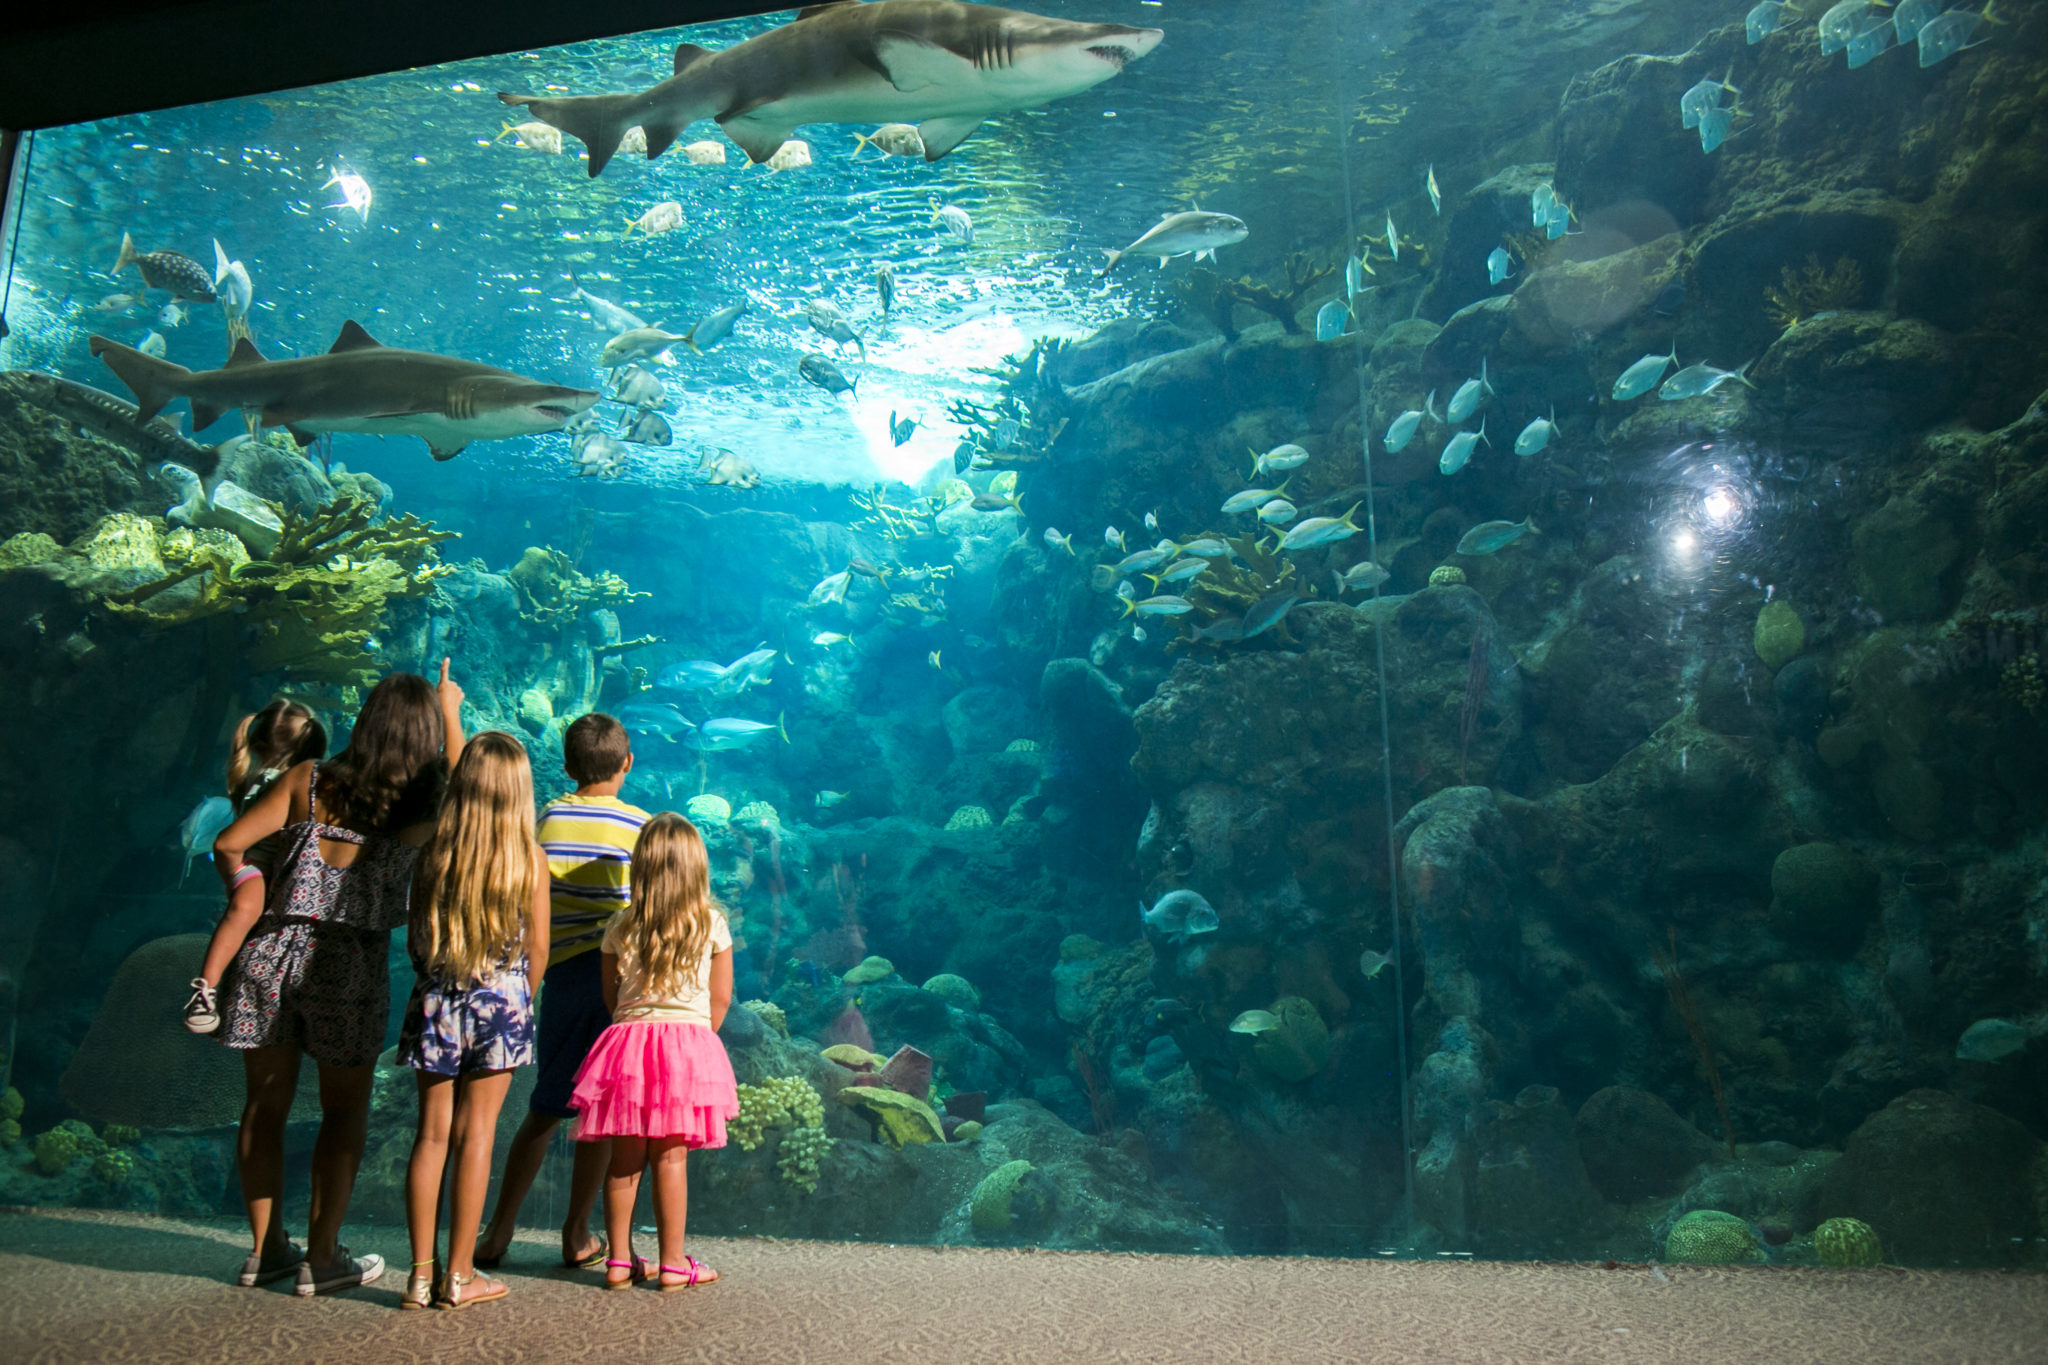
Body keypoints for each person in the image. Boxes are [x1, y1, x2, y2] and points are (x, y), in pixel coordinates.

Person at [212, 660, 465, 1297]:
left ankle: (266, 1251)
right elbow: (468, 783)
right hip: (350, 963)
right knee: (344, 1110)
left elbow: (228, 844)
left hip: (271, 949)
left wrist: (248, 892)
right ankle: (321, 1258)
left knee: (263, 1106)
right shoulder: (424, 802)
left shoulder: (308, 778)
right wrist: (451, 711)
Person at [475, 714, 648, 1272]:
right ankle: (576, 1233)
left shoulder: (546, 820)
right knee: (602, 1110)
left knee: (546, 1106)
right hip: (618, 983)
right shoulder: (641, 826)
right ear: (627, 763)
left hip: (562, 976)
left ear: (568, 766)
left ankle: (499, 1229)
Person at [396, 731, 550, 1310]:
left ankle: (420, 1275)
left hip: (437, 994)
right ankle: (460, 1276)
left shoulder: (435, 851)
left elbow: (415, 937)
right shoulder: (529, 858)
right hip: (502, 1000)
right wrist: (519, 997)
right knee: (476, 1134)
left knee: (432, 1134)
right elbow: (539, 946)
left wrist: (435, 983)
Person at [570, 812, 737, 1292]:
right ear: (697, 868)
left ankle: (619, 1262)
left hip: (627, 1045)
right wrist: (698, 1043)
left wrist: (637, 1029)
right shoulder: (711, 923)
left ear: (640, 866)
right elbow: (720, 998)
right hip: (687, 1047)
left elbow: (611, 995)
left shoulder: (621, 924)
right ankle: (672, 1263)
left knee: (624, 1158)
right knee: (671, 1157)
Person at [185, 701, 328, 1034]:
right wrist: (236, 877)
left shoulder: (266, 779)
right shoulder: (281, 782)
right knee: (245, 908)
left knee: (244, 913)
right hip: (259, 866)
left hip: (282, 867)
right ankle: (205, 990)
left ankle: (215, 988)